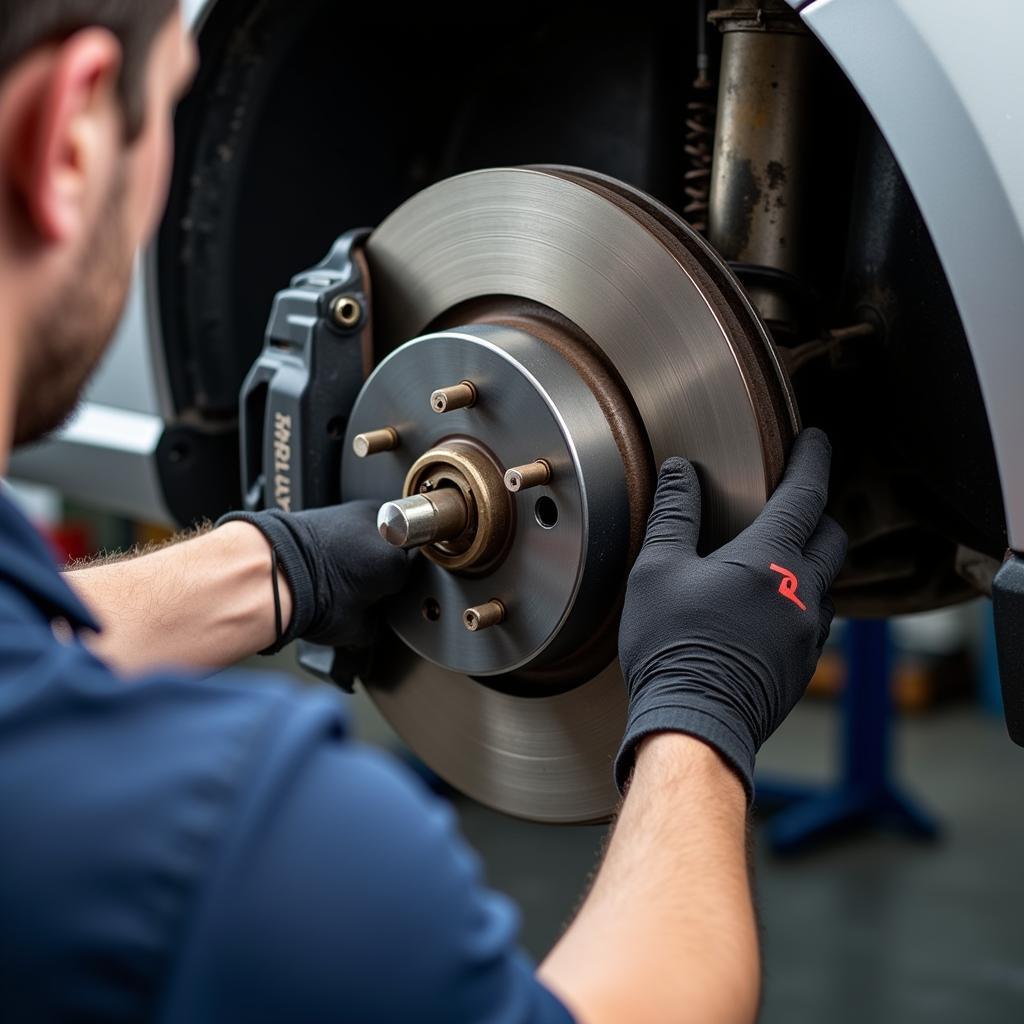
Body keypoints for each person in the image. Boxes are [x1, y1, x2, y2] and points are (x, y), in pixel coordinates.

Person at [0, 3, 848, 1021]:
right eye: (169, 109)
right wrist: (700, 711)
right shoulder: (237, 844)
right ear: (72, 133)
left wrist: (272, 564)